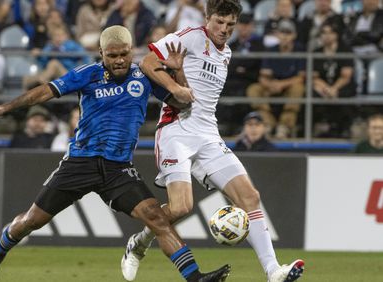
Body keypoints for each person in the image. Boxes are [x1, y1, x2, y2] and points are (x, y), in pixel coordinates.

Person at [0, 25, 230, 282]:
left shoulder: (144, 76)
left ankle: (195, 278)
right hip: (80, 162)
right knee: (32, 221)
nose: (119, 60)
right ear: (101, 53)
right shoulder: (88, 74)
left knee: (156, 218)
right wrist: (6, 107)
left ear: (131, 51)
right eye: (112, 56)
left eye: (124, 54)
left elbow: (182, 102)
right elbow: (45, 91)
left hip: (118, 169)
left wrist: (178, 73)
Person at [120, 1, 304, 282]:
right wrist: (175, 89)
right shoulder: (190, 36)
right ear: (207, 18)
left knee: (250, 197)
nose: (224, 29)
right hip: (176, 131)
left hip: (208, 135)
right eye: (219, 22)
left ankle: (273, 271)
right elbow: (147, 62)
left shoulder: (226, 53)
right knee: (181, 207)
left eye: (230, 24)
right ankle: (140, 242)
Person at [246, 19, 306, 139]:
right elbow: (263, 76)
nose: (285, 36)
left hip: (289, 86)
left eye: (288, 33)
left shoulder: (299, 50)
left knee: (298, 88)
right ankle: (267, 123)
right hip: (272, 86)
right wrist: (270, 85)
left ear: (294, 35)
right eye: (282, 32)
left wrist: (281, 84)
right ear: (277, 34)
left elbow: (301, 77)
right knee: (253, 89)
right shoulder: (271, 50)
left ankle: (284, 126)